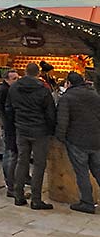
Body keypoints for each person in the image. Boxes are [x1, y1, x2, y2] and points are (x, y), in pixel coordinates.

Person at [5, 62, 56, 210]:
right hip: (39, 131)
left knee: (22, 161)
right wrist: (51, 129)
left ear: (25, 72)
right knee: (39, 164)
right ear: (38, 73)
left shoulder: (14, 87)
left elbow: (9, 108)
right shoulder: (43, 89)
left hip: (21, 128)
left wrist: (14, 123)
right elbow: (50, 113)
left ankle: (19, 195)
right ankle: (36, 199)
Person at [56, 71, 100, 214]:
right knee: (98, 171)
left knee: (82, 173)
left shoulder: (66, 98)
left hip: (77, 140)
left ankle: (87, 202)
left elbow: (63, 121)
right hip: (96, 139)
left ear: (68, 83)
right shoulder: (94, 95)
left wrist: (60, 138)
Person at [0, 68, 20, 197]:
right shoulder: (3, 90)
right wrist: (6, 122)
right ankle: (11, 185)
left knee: (13, 154)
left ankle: (14, 182)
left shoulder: (11, 90)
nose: (17, 81)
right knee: (10, 154)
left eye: (18, 78)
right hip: (9, 127)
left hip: (13, 127)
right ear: (7, 79)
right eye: (14, 78)